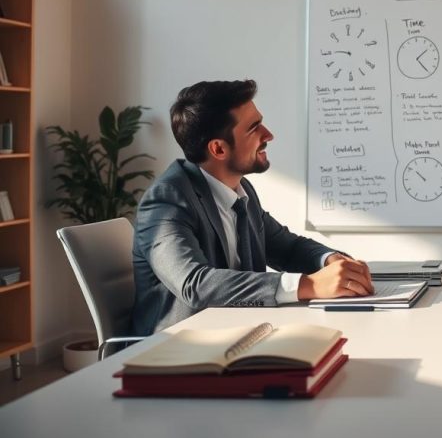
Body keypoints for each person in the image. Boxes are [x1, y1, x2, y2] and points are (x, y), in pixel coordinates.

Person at [132, 80, 374, 335]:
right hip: (175, 351)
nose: (269, 135)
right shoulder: (166, 200)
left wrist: (331, 261)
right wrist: (309, 284)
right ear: (218, 148)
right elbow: (195, 284)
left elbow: (287, 248)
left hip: (237, 337)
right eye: (254, 128)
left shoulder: (240, 192)